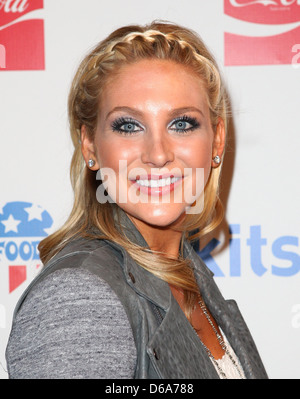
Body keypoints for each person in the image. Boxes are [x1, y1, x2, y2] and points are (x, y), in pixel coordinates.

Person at [5, 21, 268, 379]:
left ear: (217, 140)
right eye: (128, 126)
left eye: (182, 124)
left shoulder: (190, 277)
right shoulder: (81, 298)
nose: (157, 154)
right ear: (90, 145)